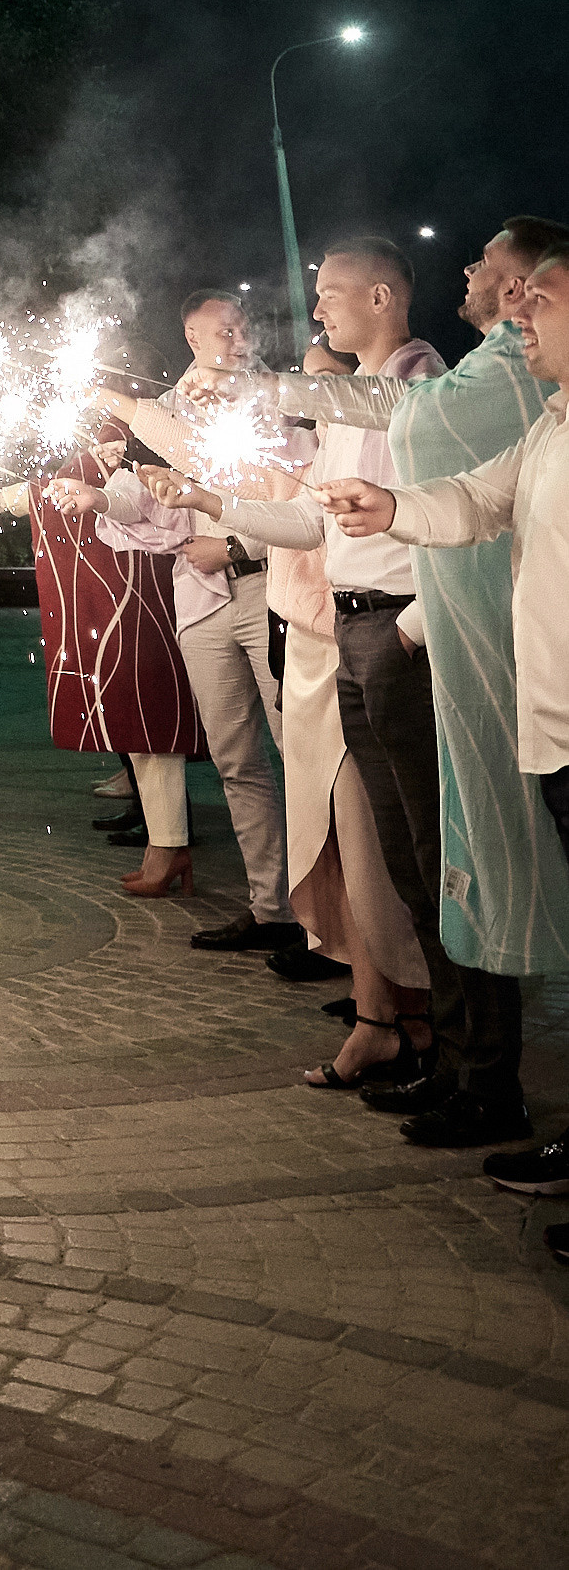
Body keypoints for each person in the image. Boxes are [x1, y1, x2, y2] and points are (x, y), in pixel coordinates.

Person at [276, 217, 569, 1149]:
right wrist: (393, 506)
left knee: (457, 856)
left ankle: (485, 1078)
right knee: (427, 862)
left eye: (526, 289)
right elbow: (479, 496)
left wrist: (406, 620)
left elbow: (416, 419)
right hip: (522, 692)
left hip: (433, 648)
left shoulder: (446, 381)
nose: (492, 286)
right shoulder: (547, 417)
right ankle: (460, 1066)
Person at [148, 243, 445, 1095]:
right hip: (349, 633)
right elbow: (311, 525)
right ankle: (388, 1017)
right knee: (365, 838)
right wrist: (208, 501)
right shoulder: (354, 399)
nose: (314, 312)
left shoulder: (417, 380)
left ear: (381, 296)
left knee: (404, 845)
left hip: (385, 635)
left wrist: (265, 388)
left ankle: (427, 1029)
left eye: (328, 296)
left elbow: (389, 414)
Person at [100, 291, 291, 947]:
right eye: (226, 331)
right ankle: (272, 910)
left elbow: (304, 509)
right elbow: (137, 496)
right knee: (237, 763)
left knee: (302, 754)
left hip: (269, 591)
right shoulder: (169, 411)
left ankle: (331, 919)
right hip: (201, 602)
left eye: (244, 329)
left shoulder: (274, 401)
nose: (239, 341)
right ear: (191, 335)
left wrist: (232, 546)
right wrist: (94, 494)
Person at [0, 426, 205, 896]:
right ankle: (166, 841)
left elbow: (131, 497)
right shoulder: (87, 427)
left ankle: (170, 845)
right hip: (107, 592)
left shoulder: (119, 429)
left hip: (131, 589)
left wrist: (98, 497)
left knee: (149, 721)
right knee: (136, 725)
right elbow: (54, 489)